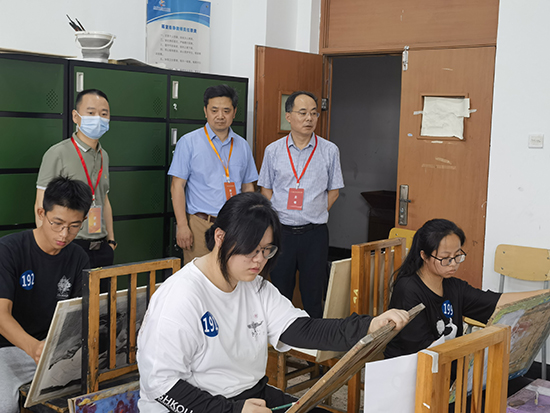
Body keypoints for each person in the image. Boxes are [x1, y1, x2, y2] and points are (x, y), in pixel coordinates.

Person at [137, 192, 409, 413]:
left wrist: (369, 326)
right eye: (251, 250)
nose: (259, 260)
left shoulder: (254, 286)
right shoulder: (180, 297)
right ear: (220, 237)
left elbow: (301, 330)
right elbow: (160, 385)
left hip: (250, 396)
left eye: (266, 250)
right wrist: (232, 411)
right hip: (200, 405)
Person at [384, 218, 549, 358]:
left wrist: (546, 295)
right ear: (424, 255)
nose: (454, 264)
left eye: (457, 255)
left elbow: (496, 302)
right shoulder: (408, 289)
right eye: (445, 258)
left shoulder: (452, 285)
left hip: (445, 364)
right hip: (413, 370)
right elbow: (423, 351)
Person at [0, 177, 92, 413]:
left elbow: (78, 316)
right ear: (42, 213)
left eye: (74, 226)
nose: (64, 234)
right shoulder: (9, 250)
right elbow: (1, 316)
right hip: (8, 348)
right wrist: (34, 348)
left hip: (55, 352)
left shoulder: (78, 257)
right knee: (4, 405)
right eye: (57, 223)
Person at [258, 91, 344, 318]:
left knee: (313, 294)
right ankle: (280, 338)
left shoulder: (329, 150)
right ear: (288, 116)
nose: (309, 118)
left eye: (314, 113)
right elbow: (266, 189)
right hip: (281, 233)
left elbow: (334, 192)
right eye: (303, 113)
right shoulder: (273, 150)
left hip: (314, 234)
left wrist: (314, 211)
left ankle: (314, 339)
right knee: (279, 293)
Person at [169, 84, 258, 265]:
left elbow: (248, 187)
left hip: (235, 224)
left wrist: (249, 222)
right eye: (214, 110)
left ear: (234, 112)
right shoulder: (189, 142)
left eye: (226, 111)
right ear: (205, 111)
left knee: (232, 273)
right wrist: (182, 226)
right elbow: (177, 186)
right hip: (200, 224)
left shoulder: (242, 146)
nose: (220, 116)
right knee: (199, 276)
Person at [35, 89, 116, 269]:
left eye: (104, 114)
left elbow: (104, 199)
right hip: (69, 245)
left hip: (101, 246)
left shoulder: (104, 155)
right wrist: (47, 248)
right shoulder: (57, 153)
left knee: (102, 288)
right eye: (91, 113)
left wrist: (111, 241)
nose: (98, 118)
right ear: (75, 116)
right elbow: (41, 203)